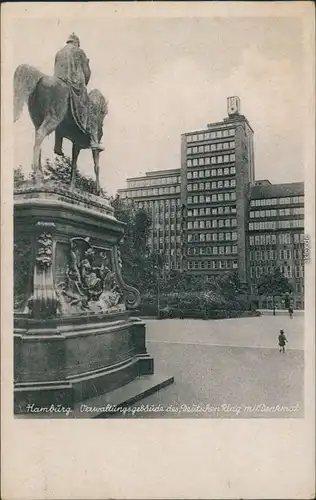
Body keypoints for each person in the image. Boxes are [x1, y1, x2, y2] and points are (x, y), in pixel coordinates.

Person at [53, 33, 104, 154]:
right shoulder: (79, 51)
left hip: (58, 83)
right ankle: (93, 140)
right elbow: (86, 72)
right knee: (89, 108)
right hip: (74, 85)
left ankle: (58, 145)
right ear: (76, 43)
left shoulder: (59, 53)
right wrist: (84, 84)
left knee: (56, 115)